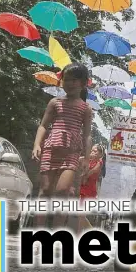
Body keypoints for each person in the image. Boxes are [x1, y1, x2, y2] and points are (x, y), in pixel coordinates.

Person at [31, 63, 93, 229]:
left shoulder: (86, 108)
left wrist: (87, 158)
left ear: (83, 83)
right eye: (66, 80)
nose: (69, 83)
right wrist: (37, 144)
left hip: (72, 153)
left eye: (74, 80)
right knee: (45, 191)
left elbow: (87, 134)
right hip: (51, 150)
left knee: (62, 191)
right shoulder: (54, 102)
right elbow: (43, 125)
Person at [77, 144, 105, 231]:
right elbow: (77, 160)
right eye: (91, 150)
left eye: (95, 151)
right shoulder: (87, 160)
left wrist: (83, 176)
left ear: (100, 154)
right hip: (82, 188)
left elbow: (91, 172)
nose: (92, 153)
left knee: (81, 214)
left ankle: (78, 234)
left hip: (89, 191)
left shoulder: (99, 163)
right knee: (80, 214)